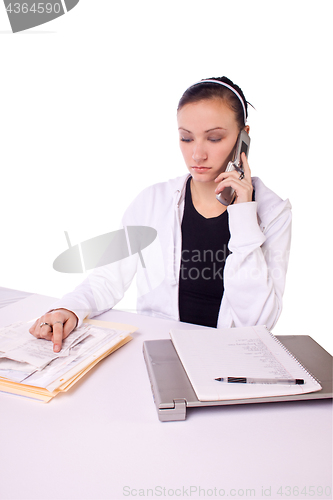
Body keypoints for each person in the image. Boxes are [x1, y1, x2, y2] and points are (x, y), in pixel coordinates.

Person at [29, 76, 292, 352]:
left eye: (214, 138)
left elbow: (258, 322)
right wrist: (69, 309)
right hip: (161, 352)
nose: (197, 154)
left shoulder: (273, 212)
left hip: (233, 359)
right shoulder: (152, 202)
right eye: (186, 138)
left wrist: (243, 214)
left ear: (243, 137)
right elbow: (107, 278)